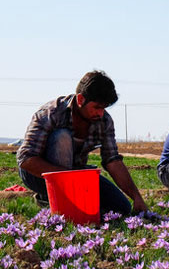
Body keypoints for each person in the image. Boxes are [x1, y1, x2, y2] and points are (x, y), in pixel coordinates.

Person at [17, 70, 147, 215]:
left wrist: (136, 197)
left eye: (104, 108)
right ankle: (50, 199)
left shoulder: (103, 121)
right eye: (97, 107)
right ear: (80, 100)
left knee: (121, 207)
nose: (101, 113)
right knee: (62, 138)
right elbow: (26, 159)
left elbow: (113, 161)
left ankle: (67, 199)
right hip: (38, 175)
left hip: (76, 174)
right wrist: (69, 179)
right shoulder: (51, 114)